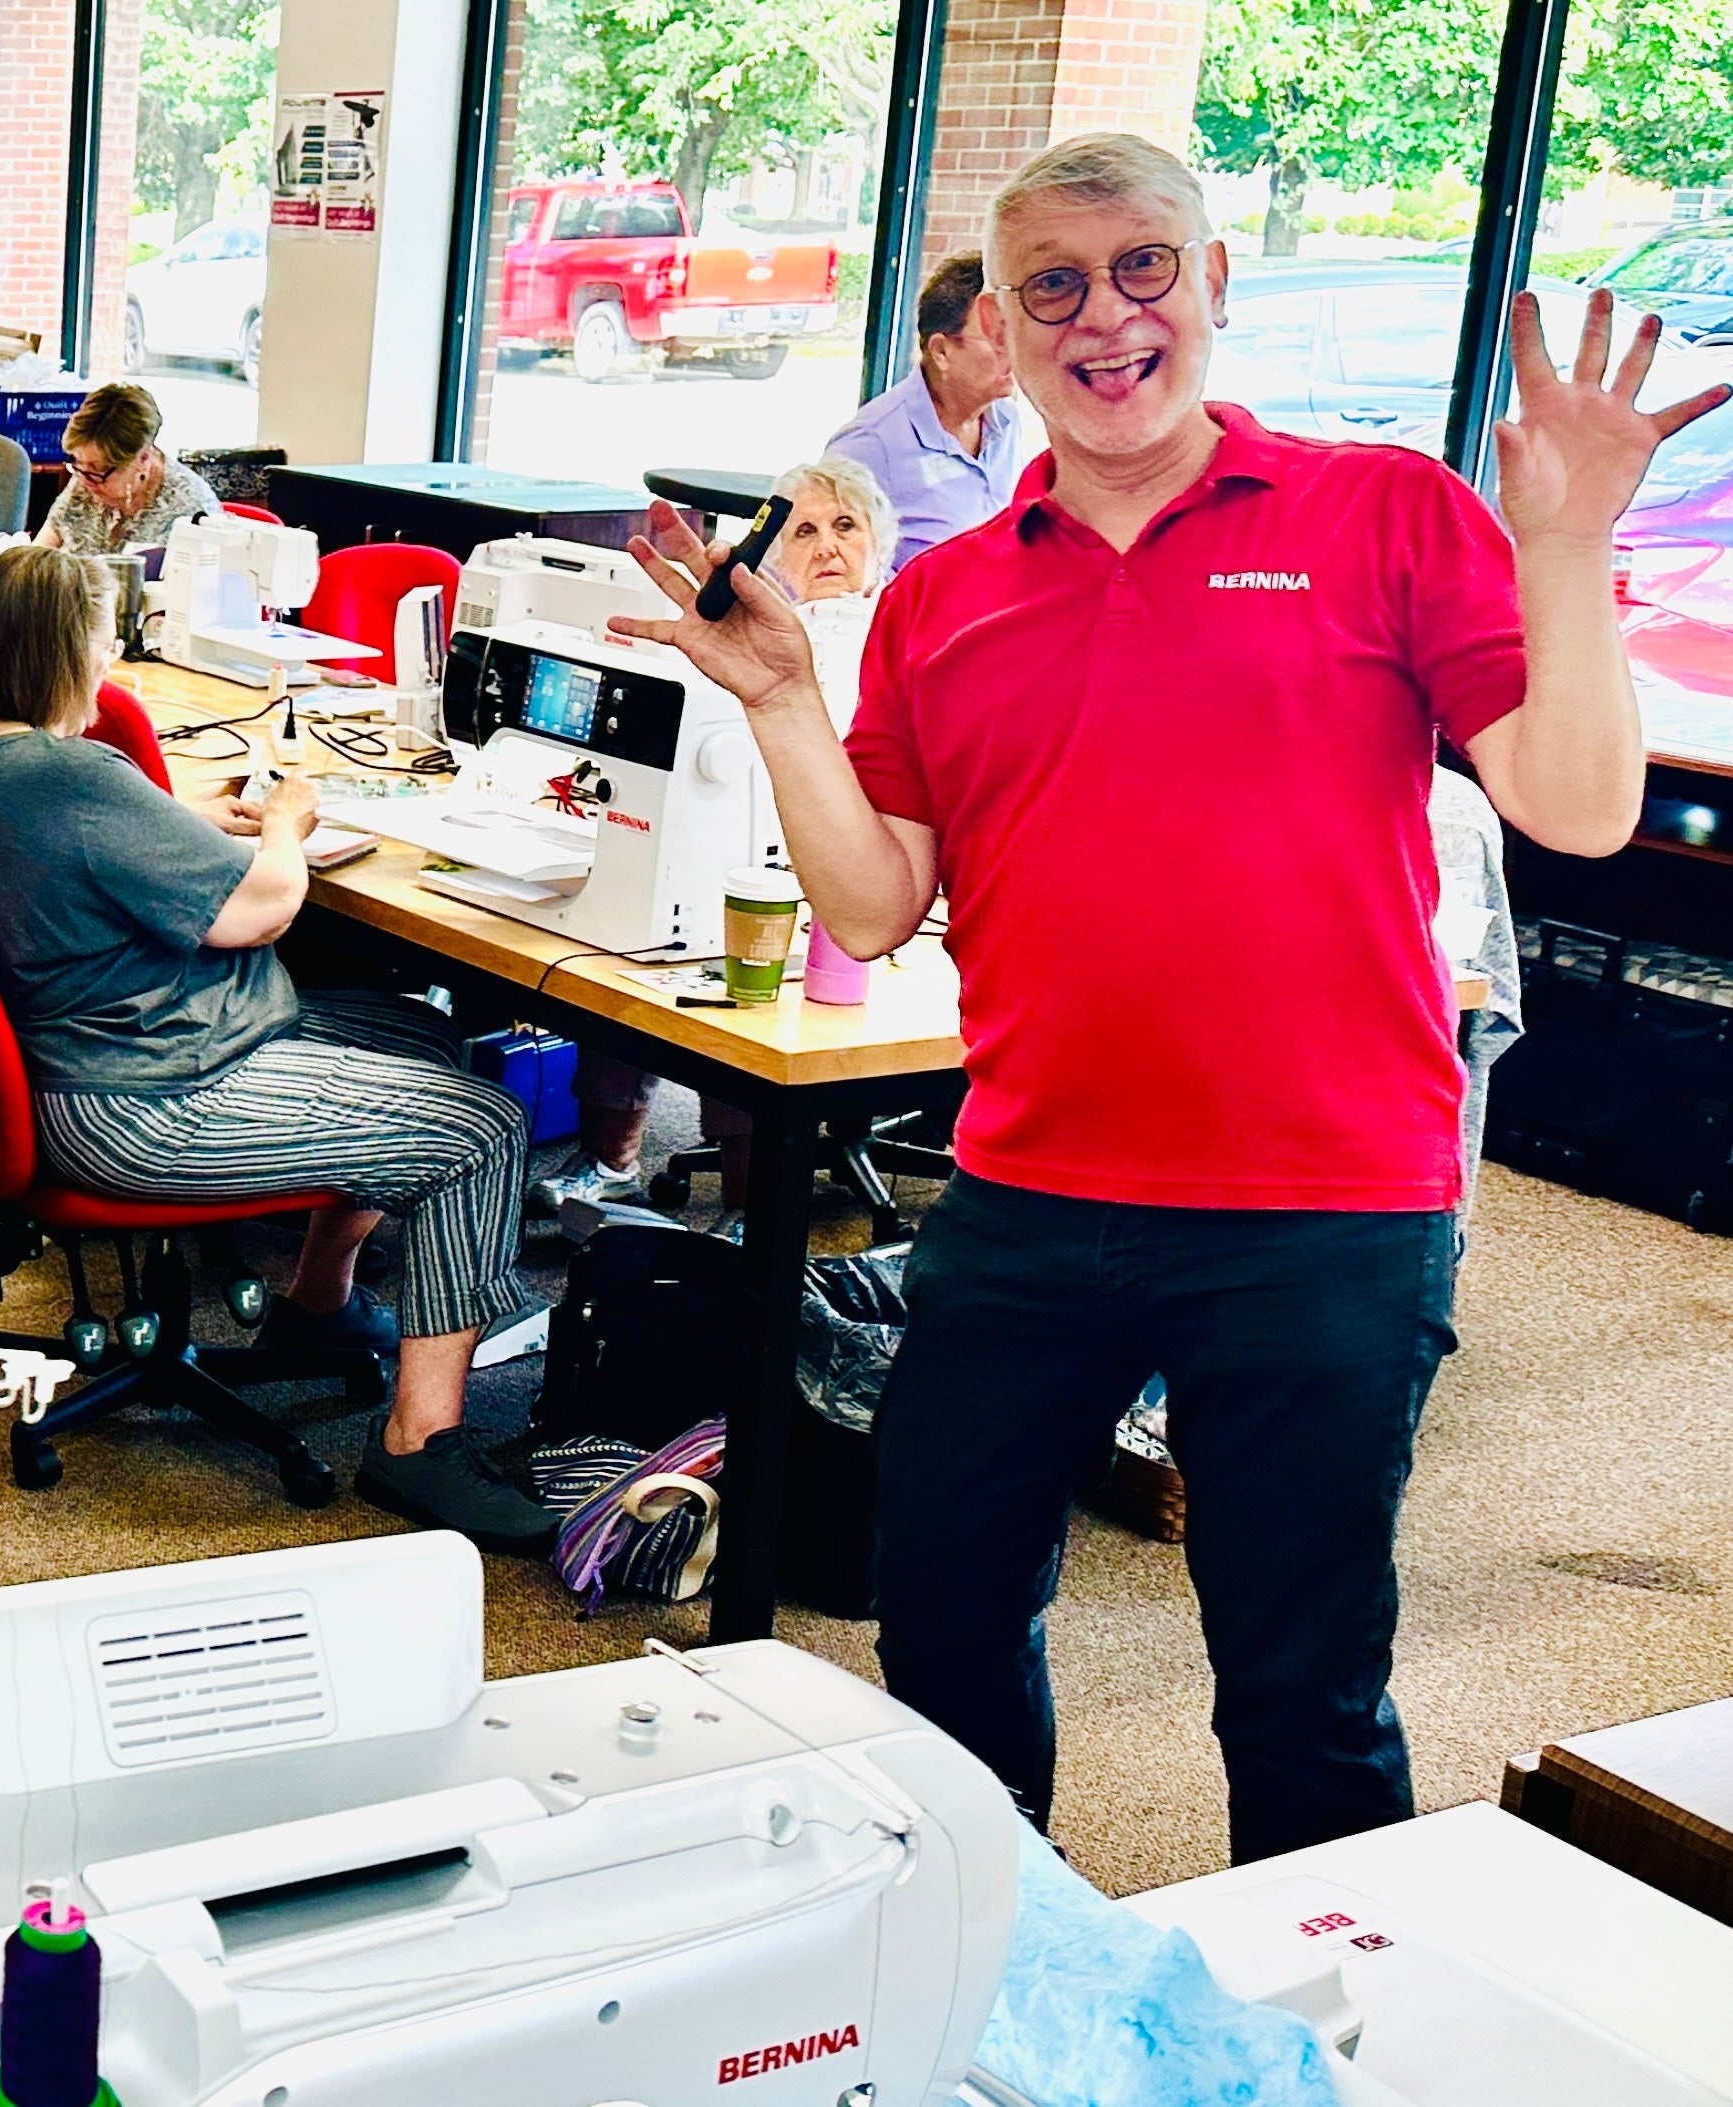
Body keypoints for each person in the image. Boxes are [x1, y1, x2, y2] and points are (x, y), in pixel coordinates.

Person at [614, 132, 1729, 1861]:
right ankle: (1004, 1975)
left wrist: (1565, 542)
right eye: (1051, 285)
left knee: (1299, 1686)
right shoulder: (941, 598)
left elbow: (1576, 806)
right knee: (944, 1636)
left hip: (1322, 1209)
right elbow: (875, 898)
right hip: (1026, 1195)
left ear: (1212, 285)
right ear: (998, 324)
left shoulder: (1379, 515)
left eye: (1144, 267)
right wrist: (776, 704)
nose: (1103, 316)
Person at [0, 546, 552, 1549]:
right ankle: (418, 1444)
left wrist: (178, 822)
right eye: (101, 643)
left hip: (91, 1062)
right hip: (146, 1096)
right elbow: (264, 908)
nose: (109, 660)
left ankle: (318, 1301)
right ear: (66, 655)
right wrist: (284, 821)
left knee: (425, 1035)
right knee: (482, 1129)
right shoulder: (69, 774)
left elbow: (70, 846)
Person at [530, 456, 895, 1226]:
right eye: (803, 531)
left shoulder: (898, 640)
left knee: (744, 995)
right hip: (726, 846)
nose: (828, 545)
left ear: (880, 544)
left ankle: (745, 1212)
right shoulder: (744, 637)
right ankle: (610, 1162)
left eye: (846, 526)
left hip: (844, 880)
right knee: (619, 959)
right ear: (771, 561)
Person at [823, 251, 1026, 572]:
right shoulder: (869, 443)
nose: (1014, 349)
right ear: (941, 351)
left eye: (1015, 333)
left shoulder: (1005, 418)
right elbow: (815, 564)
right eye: (996, 338)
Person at [35, 383, 221, 555]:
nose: (83, 481)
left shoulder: (190, 510)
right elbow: (40, 549)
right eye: (78, 462)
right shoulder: (87, 476)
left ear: (143, 458)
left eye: (99, 469)